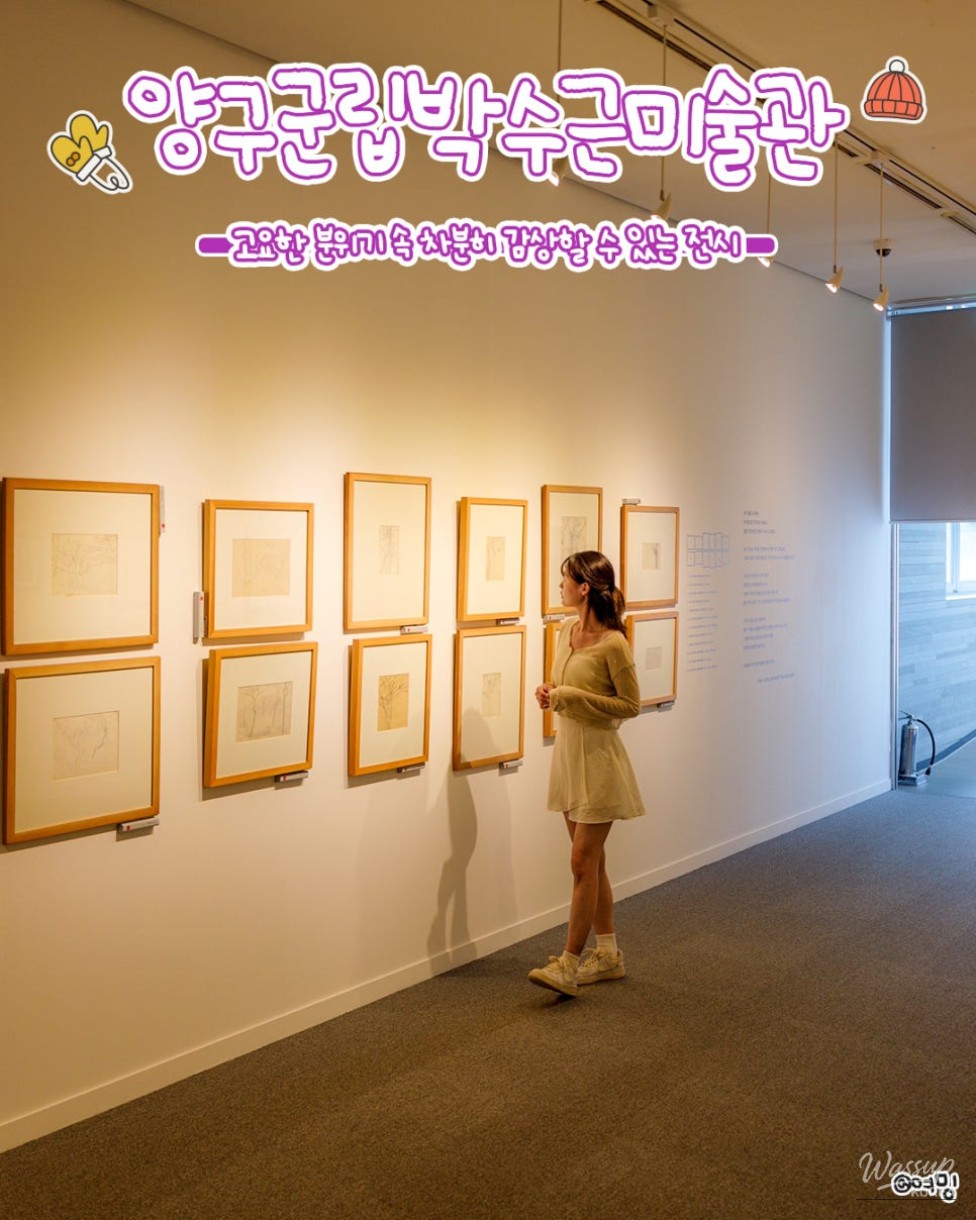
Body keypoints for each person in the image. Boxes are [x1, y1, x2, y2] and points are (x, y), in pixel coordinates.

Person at [529, 551, 644, 997]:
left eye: (564, 580)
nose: (558, 586)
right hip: (568, 755)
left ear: (583, 588)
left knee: (580, 863)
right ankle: (609, 953)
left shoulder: (615, 643)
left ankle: (569, 964)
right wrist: (549, 692)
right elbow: (563, 686)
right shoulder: (565, 631)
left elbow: (630, 706)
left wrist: (573, 695)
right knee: (591, 863)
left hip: (598, 760)